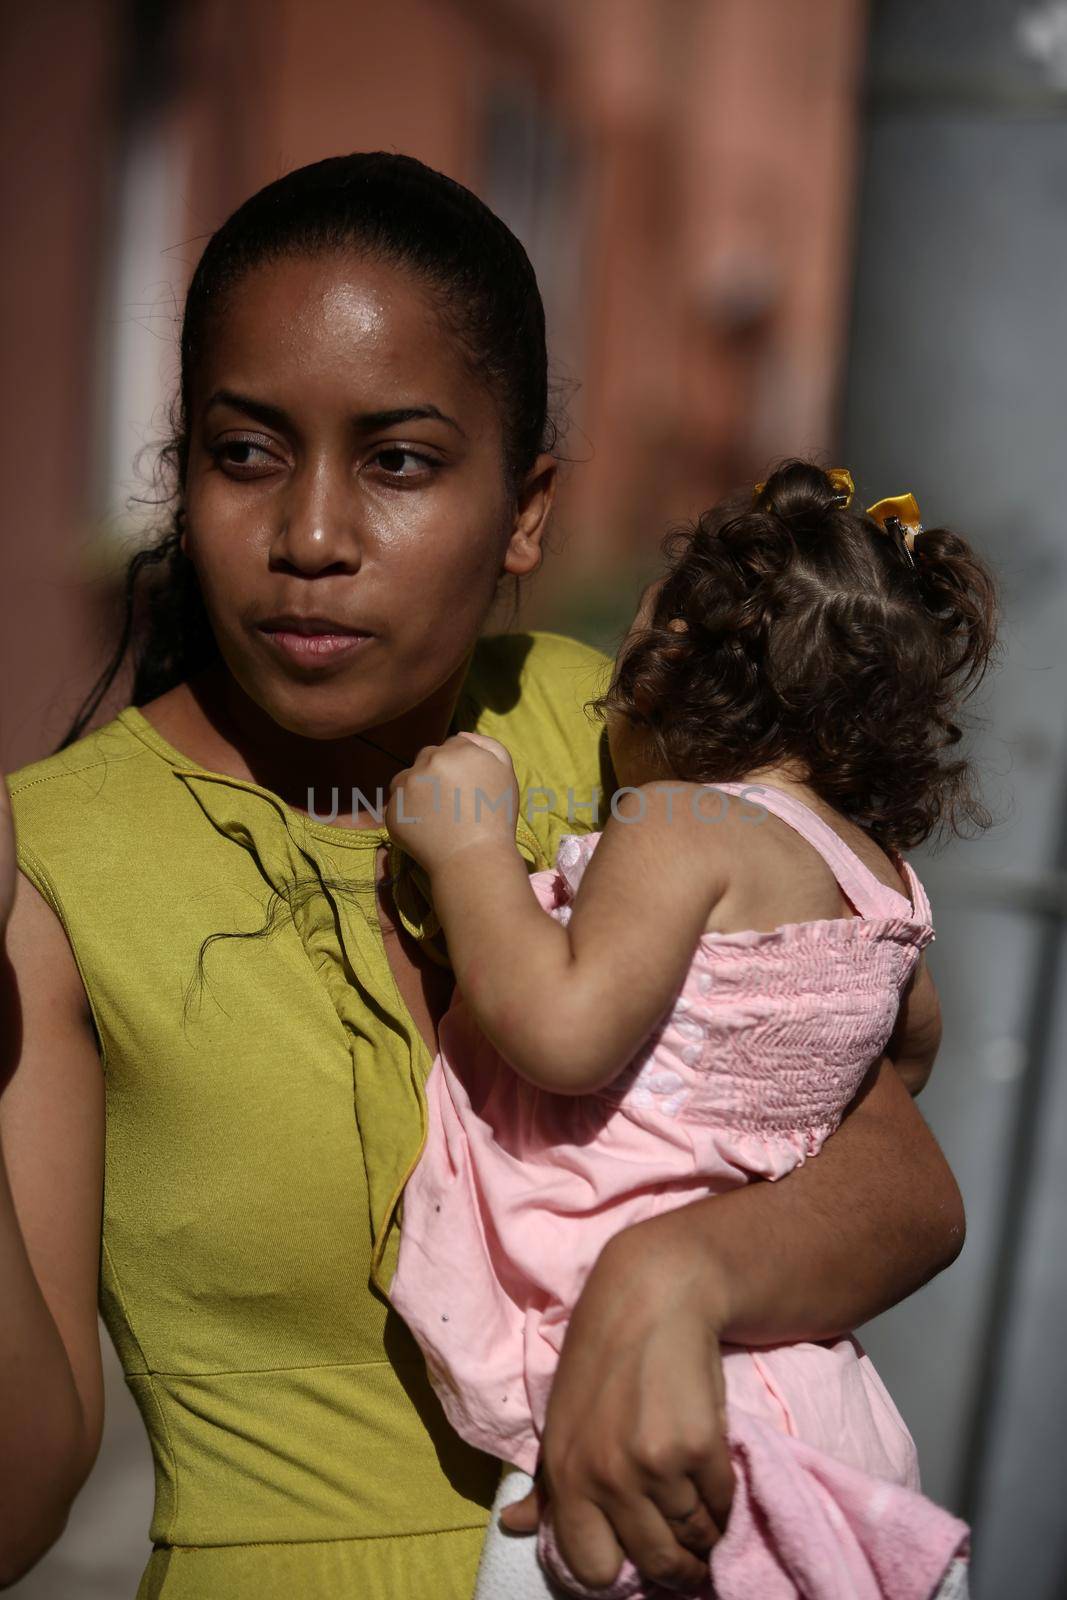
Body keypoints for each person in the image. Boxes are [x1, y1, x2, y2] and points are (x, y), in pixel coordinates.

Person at [0, 154, 965, 1600]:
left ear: (525, 512)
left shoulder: (614, 732)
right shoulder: (53, 865)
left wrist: (677, 1272)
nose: (310, 538)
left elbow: (896, 1178)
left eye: (397, 461)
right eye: (245, 452)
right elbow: (18, 1501)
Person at [384, 460, 997, 1599]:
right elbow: (903, 1056)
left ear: (669, 680)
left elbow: (564, 1031)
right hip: (810, 1397)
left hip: (637, 1408)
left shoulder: (675, 825)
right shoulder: (882, 891)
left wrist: (469, 848)